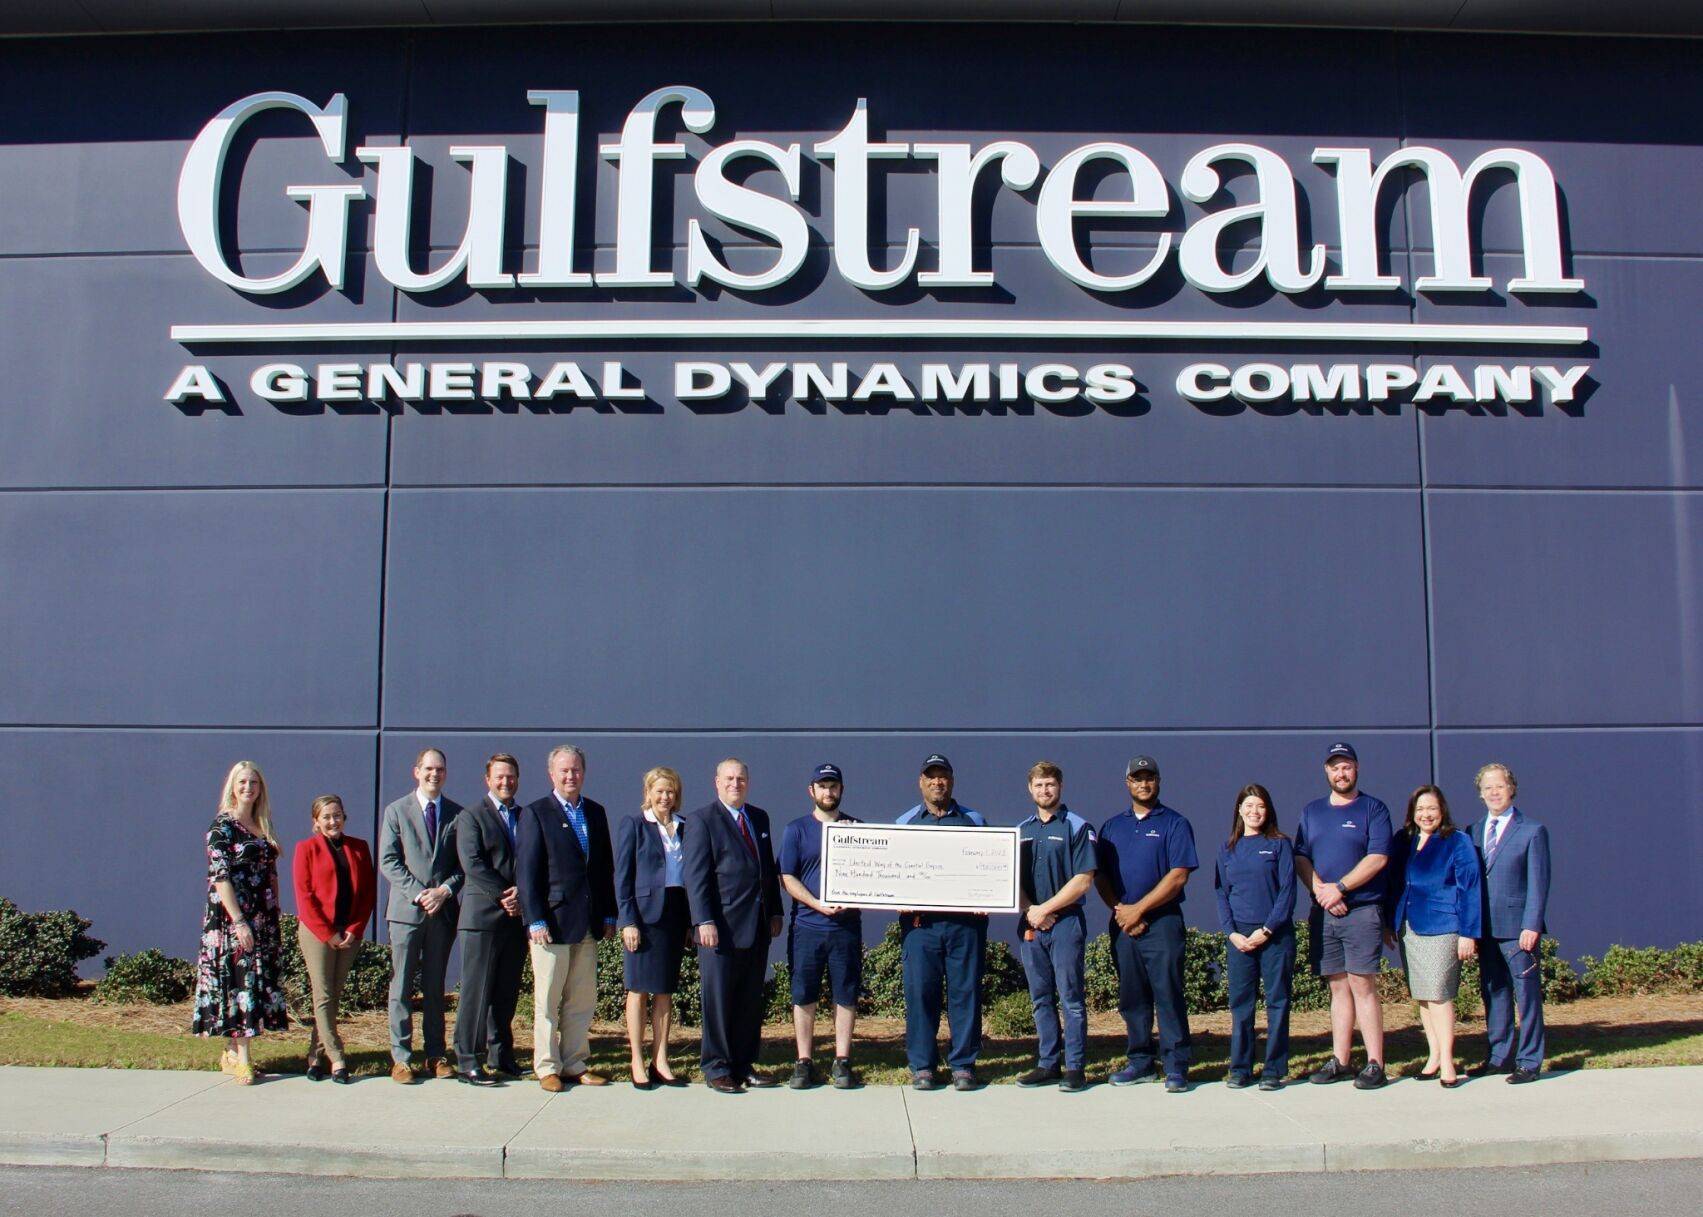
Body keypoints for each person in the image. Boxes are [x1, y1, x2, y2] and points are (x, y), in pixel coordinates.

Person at [1095, 755, 1199, 1093]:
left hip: (1163, 923)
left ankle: (1176, 1065)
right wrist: (1122, 912)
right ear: (1127, 783)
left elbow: (1178, 876)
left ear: (1158, 781)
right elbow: (1100, 876)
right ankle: (1140, 1061)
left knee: (1168, 993)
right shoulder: (1112, 827)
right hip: (1123, 924)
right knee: (1132, 996)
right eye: (1137, 778)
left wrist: (1138, 910)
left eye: (1149, 777)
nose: (1144, 783)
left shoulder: (1175, 823)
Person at [518, 743, 618, 1092]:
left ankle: (574, 1062)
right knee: (547, 999)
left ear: (583, 773)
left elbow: (604, 868)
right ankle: (547, 1066)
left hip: (587, 922)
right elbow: (527, 872)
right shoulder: (536, 813)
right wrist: (535, 919)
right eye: (564, 770)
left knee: (581, 999)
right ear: (552, 774)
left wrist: (609, 912)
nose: (570, 776)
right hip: (552, 924)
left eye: (576, 770)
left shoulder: (595, 812)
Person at [1294, 742, 1393, 1090]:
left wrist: (1341, 888)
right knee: (1337, 986)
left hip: (1361, 910)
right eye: (1335, 767)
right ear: (1326, 771)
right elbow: (1301, 857)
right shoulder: (1312, 811)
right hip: (1324, 912)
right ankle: (1341, 1060)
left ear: (1357, 768)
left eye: (1347, 766)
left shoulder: (1373, 809)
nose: (1341, 773)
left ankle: (1375, 1063)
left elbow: (1378, 857)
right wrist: (1322, 892)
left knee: (1362, 984)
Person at [683, 758, 784, 1094]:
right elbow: (696, 876)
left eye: (740, 778)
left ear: (748, 782)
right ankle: (717, 1067)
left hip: (757, 926)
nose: (735, 784)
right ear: (717, 782)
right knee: (719, 1002)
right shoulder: (701, 820)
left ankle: (743, 1065)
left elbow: (766, 868)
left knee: (748, 1001)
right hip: (720, 929)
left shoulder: (759, 817)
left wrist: (775, 910)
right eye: (728, 778)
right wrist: (703, 920)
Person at [896, 754, 990, 1091]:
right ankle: (923, 1066)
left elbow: (990, 866)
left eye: (943, 776)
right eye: (931, 776)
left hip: (965, 926)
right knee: (921, 994)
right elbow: (893, 872)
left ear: (952, 781)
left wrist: (987, 897)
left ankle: (963, 1065)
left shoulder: (974, 820)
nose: (938, 782)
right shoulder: (905, 823)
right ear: (921, 782)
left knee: (965, 994)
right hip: (921, 927)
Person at [192, 761, 289, 1084]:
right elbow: (220, 877)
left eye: (254, 782)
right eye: (243, 782)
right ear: (232, 787)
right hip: (232, 919)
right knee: (241, 983)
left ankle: (232, 1053)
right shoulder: (222, 827)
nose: (248, 788)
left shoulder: (263, 825)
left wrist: (275, 912)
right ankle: (244, 1060)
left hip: (262, 917)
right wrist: (239, 922)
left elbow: (271, 873)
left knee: (251, 983)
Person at [1383, 785, 1480, 1088]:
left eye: (1432, 809)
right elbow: (1392, 882)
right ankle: (1433, 1055)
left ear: (1442, 811)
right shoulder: (1404, 840)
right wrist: (1388, 922)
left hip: (1442, 927)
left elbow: (1470, 888)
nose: (1426, 815)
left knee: (1439, 994)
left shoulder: (1457, 841)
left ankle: (1448, 1061)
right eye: (1420, 809)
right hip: (1409, 927)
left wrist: (1469, 933)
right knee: (1424, 995)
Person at [378, 747, 465, 1084]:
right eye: (428, 768)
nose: (434, 774)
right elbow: (389, 861)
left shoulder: (458, 814)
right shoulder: (396, 811)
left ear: (446, 773)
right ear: (416, 771)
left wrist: (444, 891)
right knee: (401, 985)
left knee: (434, 986)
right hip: (406, 913)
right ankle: (401, 1058)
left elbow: (463, 865)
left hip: (442, 913)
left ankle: (435, 1054)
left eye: (440, 769)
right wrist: (419, 893)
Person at [777, 763, 863, 1090]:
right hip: (807, 926)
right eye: (823, 786)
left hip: (845, 927)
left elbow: (872, 875)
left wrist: (852, 898)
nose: (829, 791)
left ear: (841, 790)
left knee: (846, 993)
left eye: (833, 786)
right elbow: (787, 876)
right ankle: (804, 1061)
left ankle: (842, 1060)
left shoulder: (858, 828)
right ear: (811, 791)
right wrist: (817, 903)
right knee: (804, 994)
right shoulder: (796, 830)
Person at [1464, 763, 1550, 1084]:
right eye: (1487, 788)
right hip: (1485, 930)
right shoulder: (1472, 832)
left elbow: (1539, 883)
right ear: (1480, 793)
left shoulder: (1532, 830)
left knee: (1527, 996)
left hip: (1518, 931)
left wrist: (1532, 924)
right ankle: (1499, 1057)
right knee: (1494, 992)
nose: (1494, 792)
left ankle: (1529, 1061)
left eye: (1499, 786)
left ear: (1511, 789)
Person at [1014, 761, 1097, 1093]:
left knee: (1071, 998)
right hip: (1031, 925)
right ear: (1029, 789)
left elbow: (1084, 879)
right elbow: (1010, 879)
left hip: (1065, 924)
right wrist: (1031, 911)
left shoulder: (1077, 826)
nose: (1044, 790)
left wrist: (1046, 909)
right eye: (1038, 785)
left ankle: (1075, 1067)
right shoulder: (1021, 831)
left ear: (1060, 787)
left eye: (1049, 784)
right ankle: (1048, 1063)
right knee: (1040, 997)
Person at [1213, 784, 1297, 1091]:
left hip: (1274, 937)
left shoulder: (1279, 844)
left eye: (1260, 806)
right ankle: (1240, 1068)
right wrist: (1232, 933)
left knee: (1277, 1001)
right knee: (1241, 1005)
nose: (1254, 811)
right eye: (1249, 806)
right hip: (1240, 940)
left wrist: (1267, 930)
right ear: (1239, 810)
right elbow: (1221, 892)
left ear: (1268, 809)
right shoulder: (1227, 848)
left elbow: (1287, 892)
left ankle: (1273, 1069)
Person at [452, 753, 529, 1086]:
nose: (505, 782)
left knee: (505, 991)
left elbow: (533, 860)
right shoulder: (471, 816)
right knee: (477, 992)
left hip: (515, 918)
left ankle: (501, 1055)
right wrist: (504, 895)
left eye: (511, 776)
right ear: (488, 779)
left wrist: (522, 895)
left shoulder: (525, 816)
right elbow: (473, 863)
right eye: (499, 776)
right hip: (482, 918)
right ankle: (467, 1059)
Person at [615, 766, 693, 1090]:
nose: (665, 797)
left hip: (674, 914)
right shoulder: (634, 825)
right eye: (659, 791)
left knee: (664, 989)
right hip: (644, 918)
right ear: (648, 792)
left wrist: (689, 922)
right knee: (638, 989)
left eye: (670, 791)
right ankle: (636, 1059)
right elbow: (623, 877)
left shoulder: (685, 826)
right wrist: (628, 921)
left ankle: (660, 1059)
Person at [291, 793, 376, 1084]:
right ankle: (337, 1058)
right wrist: (328, 933)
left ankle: (315, 1056)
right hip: (318, 932)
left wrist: (355, 928)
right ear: (316, 821)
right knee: (324, 994)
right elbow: (305, 897)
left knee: (333, 996)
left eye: (337, 815)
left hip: (349, 933)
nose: (332, 821)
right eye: (326, 817)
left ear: (344, 816)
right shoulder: (306, 849)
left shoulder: (359, 847)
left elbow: (367, 894)